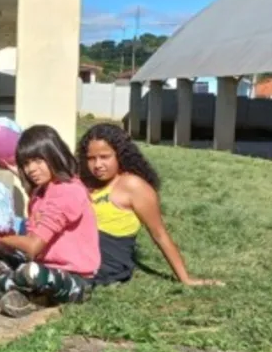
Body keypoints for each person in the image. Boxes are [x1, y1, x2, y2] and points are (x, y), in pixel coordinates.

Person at [0, 125, 99, 318]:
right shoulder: (42, 191)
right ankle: (18, 289)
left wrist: (2, 237)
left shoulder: (68, 192)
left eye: (37, 160)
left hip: (73, 280)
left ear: (54, 154)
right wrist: (3, 242)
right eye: (26, 163)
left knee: (32, 272)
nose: (31, 169)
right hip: (41, 264)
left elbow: (33, 246)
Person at [78, 123, 224, 287]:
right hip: (80, 256)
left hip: (106, 265)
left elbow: (159, 234)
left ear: (120, 155)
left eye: (105, 157)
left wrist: (186, 279)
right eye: (91, 158)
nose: (97, 165)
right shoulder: (87, 185)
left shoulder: (133, 186)